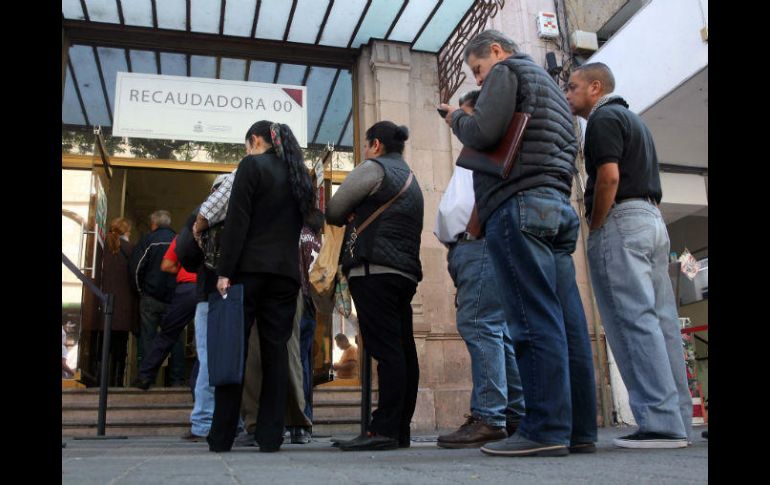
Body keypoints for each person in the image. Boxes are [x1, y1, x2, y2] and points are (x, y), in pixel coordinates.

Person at [439, 29, 597, 457]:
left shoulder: (507, 70)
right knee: (568, 325)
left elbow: (484, 131)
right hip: (556, 206)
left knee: (530, 321)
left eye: (477, 69)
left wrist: (455, 118)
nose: (477, 80)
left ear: (495, 50)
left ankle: (545, 429)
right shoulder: (552, 88)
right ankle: (580, 430)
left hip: (519, 203)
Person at [565, 62, 692, 449]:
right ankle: (678, 419)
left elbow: (610, 177)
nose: (568, 94)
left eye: (572, 87)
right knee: (662, 321)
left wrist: (599, 222)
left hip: (623, 218)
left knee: (631, 319)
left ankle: (659, 422)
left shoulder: (603, 120)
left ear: (595, 87)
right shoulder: (634, 120)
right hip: (653, 219)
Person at [208, 120, 316, 453]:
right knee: (276, 352)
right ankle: (271, 435)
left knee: (234, 350)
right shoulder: (300, 176)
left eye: (247, 144)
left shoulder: (251, 166)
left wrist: (224, 271)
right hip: (285, 275)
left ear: (256, 140)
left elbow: (237, 221)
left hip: (248, 271)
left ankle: (222, 435)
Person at [434, 90, 526, 449]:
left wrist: (472, 230)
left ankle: (490, 415)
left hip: (478, 244)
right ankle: (512, 411)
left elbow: (486, 192)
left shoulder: (487, 138)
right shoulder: (476, 145)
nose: (459, 123)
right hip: (470, 246)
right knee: (495, 329)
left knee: (480, 324)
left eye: (465, 116)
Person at [326, 121, 424, 452]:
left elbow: (334, 210)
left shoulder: (374, 168)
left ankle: (382, 429)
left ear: (376, 145)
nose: (366, 151)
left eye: (367, 145)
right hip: (404, 272)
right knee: (404, 351)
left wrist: (352, 212)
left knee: (387, 351)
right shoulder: (411, 179)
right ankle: (399, 429)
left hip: (373, 270)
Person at [131, 230, 198, 390]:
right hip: (213, 288)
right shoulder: (222, 233)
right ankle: (195, 382)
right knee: (209, 339)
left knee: (168, 334)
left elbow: (166, 265)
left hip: (187, 289)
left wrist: (182, 269)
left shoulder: (184, 237)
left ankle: (145, 376)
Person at [100, 217, 139, 386]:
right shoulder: (131, 249)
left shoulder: (102, 247)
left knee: (102, 347)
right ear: (126, 231)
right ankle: (117, 383)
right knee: (120, 348)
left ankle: (100, 380)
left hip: (102, 305)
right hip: (123, 307)